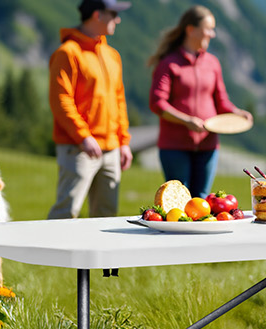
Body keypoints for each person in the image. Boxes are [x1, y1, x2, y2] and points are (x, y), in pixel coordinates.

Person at [148, 6, 252, 198]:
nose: (212, 34)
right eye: (208, 29)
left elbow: (221, 101)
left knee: (202, 199)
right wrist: (186, 120)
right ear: (191, 29)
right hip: (174, 147)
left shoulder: (212, 63)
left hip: (208, 145)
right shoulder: (169, 63)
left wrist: (237, 113)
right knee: (180, 199)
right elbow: (157, 102)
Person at [48, 0, 134, 219]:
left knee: (106, 215)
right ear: (97, 14)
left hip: (112, 149)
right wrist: (83, 137)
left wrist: (123, 142)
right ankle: (52, 253)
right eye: (113, 14)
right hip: (78, 148)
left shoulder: (112, 55)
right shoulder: (67, 53)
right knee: (67, 212)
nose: (118, 19)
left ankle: (99, 256)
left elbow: (119, 100)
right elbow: (61, 101)